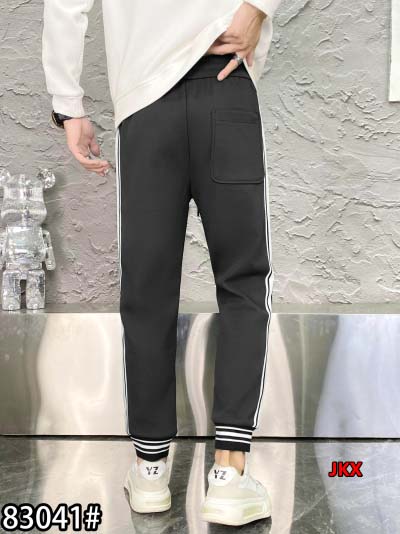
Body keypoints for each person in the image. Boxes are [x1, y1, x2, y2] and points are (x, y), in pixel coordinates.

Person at [42, 0, 282, 526]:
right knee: (243, 282)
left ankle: (150, 471)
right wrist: (258, 7)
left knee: (147, 290)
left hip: (146, 103)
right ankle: (230, 476)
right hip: (225, 88)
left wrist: (69, 104)